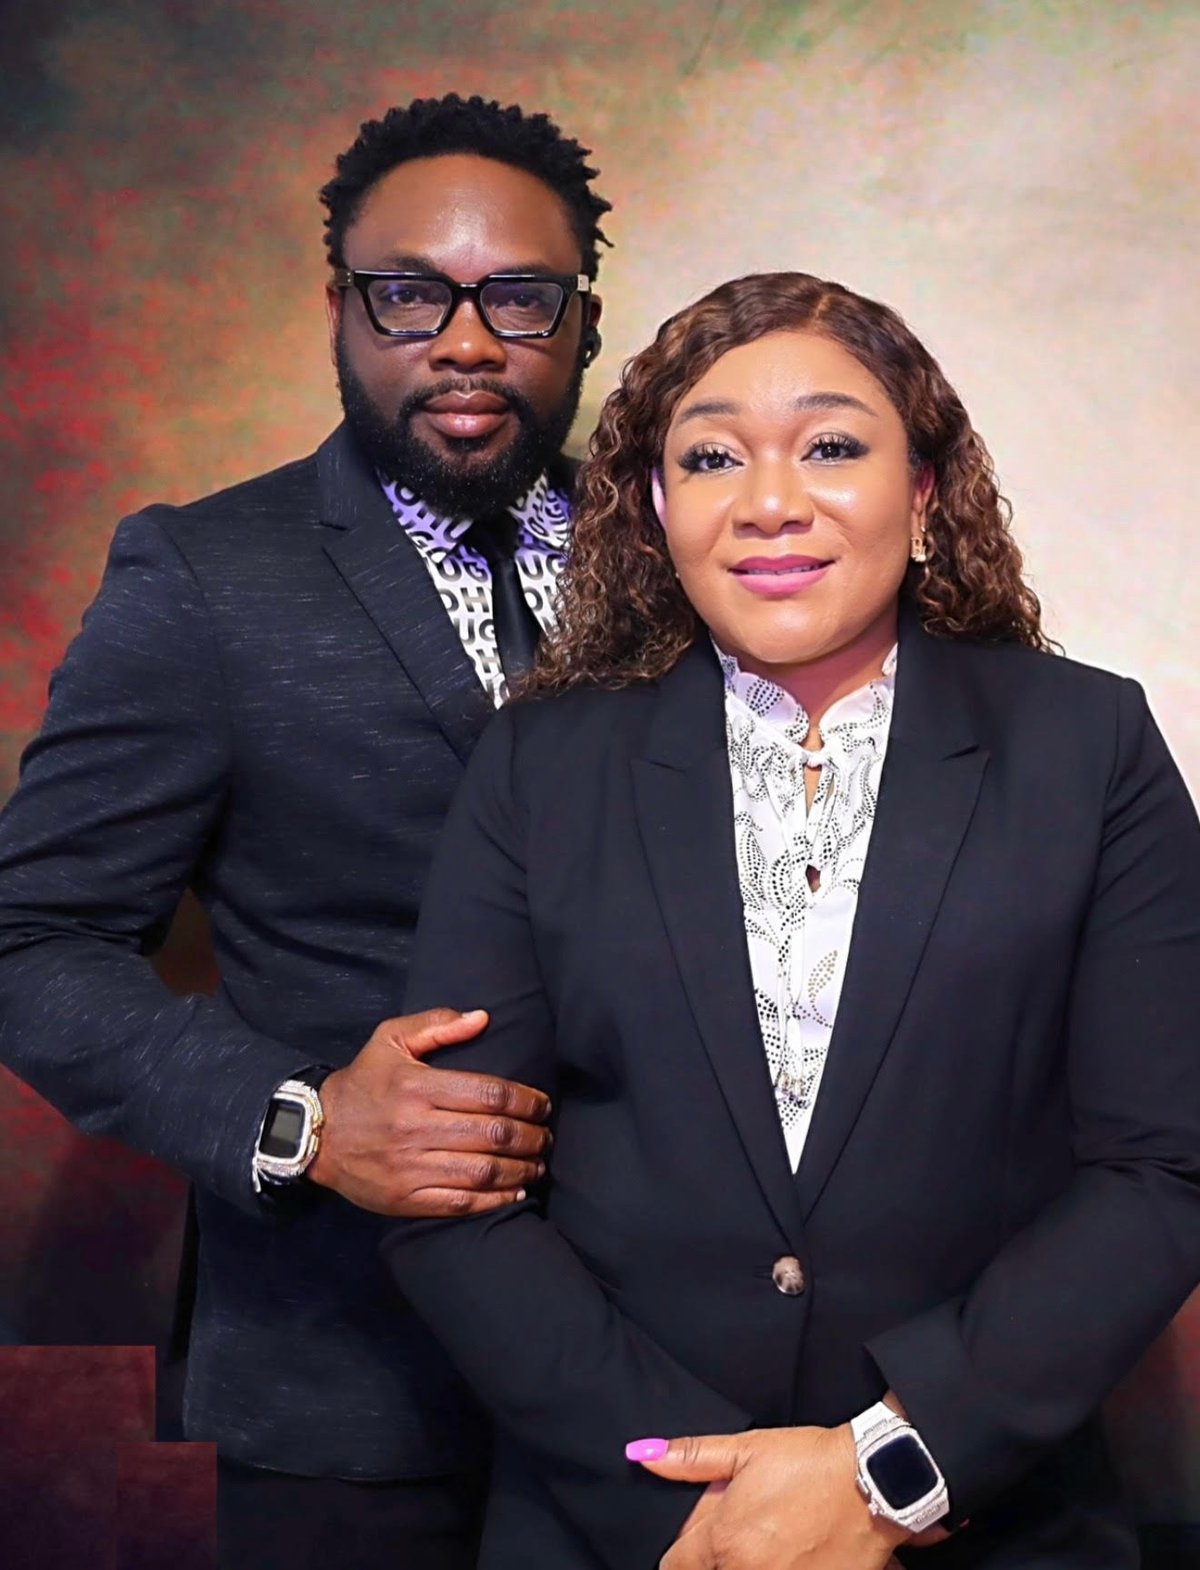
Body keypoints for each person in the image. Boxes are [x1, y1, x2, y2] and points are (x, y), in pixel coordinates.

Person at [380, 271, 1200, 1569]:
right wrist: (694, 1502)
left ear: (923, 493)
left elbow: (1163, 1168)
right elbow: (448, 1184)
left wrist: (889, 1472)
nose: (771, 500)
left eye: (831, 446)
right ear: (656, 508)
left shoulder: (1088, 746)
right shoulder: (538, 766)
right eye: (712, 457)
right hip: (623, 1528)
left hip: (993, 1519)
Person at [0, 93, 609, 1570]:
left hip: (669, 1376)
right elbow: (30, 941)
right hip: (349, 1392)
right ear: (337, 307)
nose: (466, 343)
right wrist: (307, 1121)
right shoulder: (204, 577)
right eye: (409, 293)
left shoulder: (690, 551)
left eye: (520, 297)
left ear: (583, 323)